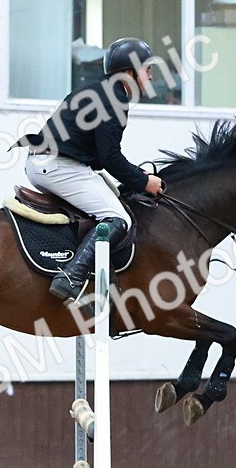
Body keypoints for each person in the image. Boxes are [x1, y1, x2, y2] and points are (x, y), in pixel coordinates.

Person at [18, 37, 165, 304]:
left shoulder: (97, 89)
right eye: (147, 70)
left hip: (46, 163)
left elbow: (101, 155)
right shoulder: (114, 99)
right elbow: (110, 158)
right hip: (58, 166)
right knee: (118, 218)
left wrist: (134, 176)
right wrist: (144, 182)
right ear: (129, 72)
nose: (151, 77)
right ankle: (71, 275)